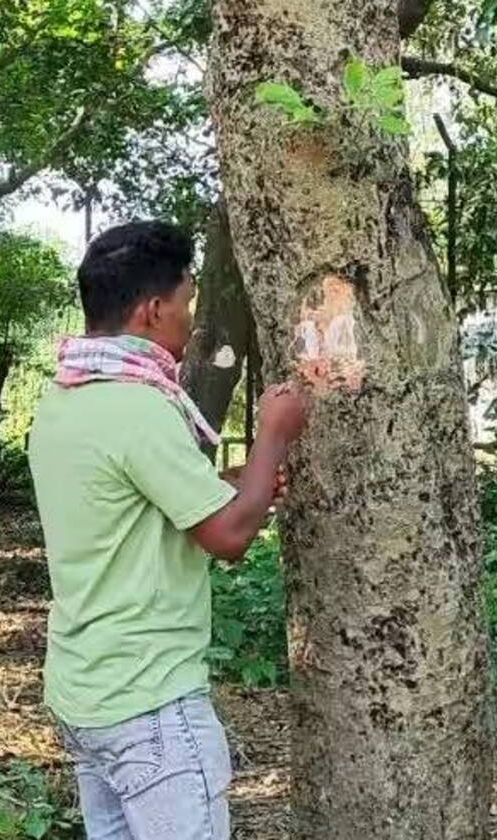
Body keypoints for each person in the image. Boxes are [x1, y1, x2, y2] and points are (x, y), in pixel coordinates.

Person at [27, 220, 309, 840]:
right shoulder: (138, 406)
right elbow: (229, 538)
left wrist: (239, 482)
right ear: (153, 310)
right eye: (186, 303)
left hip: (87, 692)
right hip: (149, 701)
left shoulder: (67, 397)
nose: (191, 319)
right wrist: (274, 434)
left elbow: (135, 504)